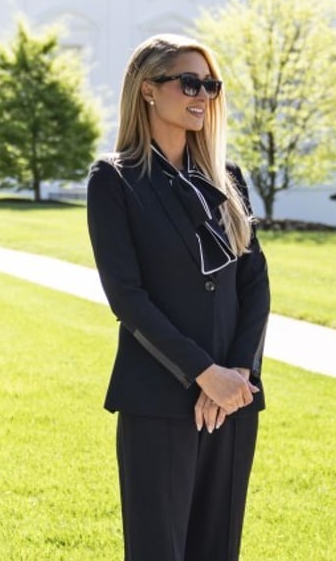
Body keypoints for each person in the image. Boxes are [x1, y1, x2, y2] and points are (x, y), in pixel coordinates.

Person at [86, 33, 270, 560]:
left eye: (211, 85)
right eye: (190, 82)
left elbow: (255, 282)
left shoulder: (226, 178)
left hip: (233, 401)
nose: (203, 95)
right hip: (159, 399)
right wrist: (202, 373)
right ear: (148, 90)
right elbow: (127, 297)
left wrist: (237, 373)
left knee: (218, 549)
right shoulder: (115, 180)